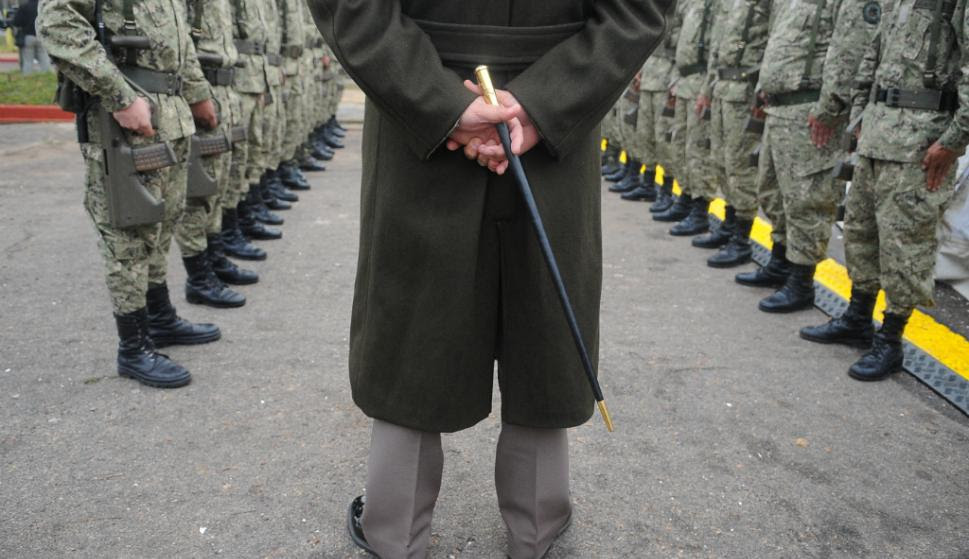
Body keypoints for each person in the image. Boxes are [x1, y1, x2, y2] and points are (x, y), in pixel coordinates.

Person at [307, 0, 673, 557]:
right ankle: (536, 526)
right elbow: (635, 11)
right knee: (543, 315)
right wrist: (543, 103)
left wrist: (441, 103)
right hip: (555, 116)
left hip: (419, 110)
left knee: (413, 317)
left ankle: (395, 528)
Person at [38, 0, 220, 388]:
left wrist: (197, 93)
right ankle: (133, 348)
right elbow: (57, 24)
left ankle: (159, 318)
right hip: (124, 123)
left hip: (169, 116)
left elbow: (178, 41)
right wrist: (119, 96)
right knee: (129, 237)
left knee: (162, 223)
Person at [800, 0, 966, 381]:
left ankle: (890, 340)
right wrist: (860, 116)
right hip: (877, 132)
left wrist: (954, 140)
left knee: (905, 245)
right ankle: (857, 318)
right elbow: (871, 56)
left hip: (921, 142)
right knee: (860, 232)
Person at [739, 0, 877, 313]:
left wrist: (831, 108)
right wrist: (763, 89)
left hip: (810, 111)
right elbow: (774, 40)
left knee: (806, 201)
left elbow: (849, 50)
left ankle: (801, 283)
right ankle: (779, 263)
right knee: (774, 192)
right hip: (780, 107)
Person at [692, 0, 770, 267]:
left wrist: (762, 90)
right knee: (722, 162)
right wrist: (708, 89)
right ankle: (728, 226)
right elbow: (721, 46)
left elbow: (771, 42)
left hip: (744, 91)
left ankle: (741, 240)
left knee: (740, 167)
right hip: (724, 88)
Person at [13, 0, 50, 75]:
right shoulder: (43, 7)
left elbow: (16, 22)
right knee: (44, 59)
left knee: (28, 61)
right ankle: (46, 77)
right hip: (41, 36)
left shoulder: (24, 7)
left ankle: (28, 79)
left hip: (28, 36)